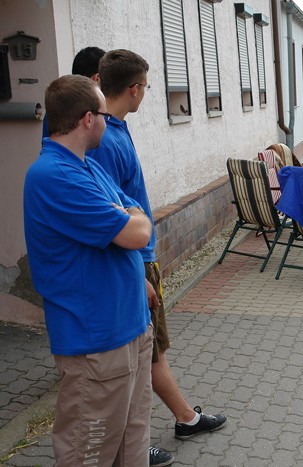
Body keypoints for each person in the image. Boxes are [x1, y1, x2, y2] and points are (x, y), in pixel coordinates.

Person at [88, 49, 227, 458]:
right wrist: (139, 274)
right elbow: (111, 221)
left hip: (141, 258)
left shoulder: (114, 129)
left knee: (150, 349)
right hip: (134, 263)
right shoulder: (106, 141)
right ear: (134, 89)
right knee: (144, 352)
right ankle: (146, 438)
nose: (146, 94)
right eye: (146, 87)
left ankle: (177, 421)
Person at [24, 74, 153, 466]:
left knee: (132, 445)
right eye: (103, 114)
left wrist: (129, 218)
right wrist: (128, 218)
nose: (108, 121)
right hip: (96, 344)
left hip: (128, 329)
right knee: (89, 453)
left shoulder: (86, 167)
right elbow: (135, 231)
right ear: (86, 119)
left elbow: (138, 215)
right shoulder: (54, 176)